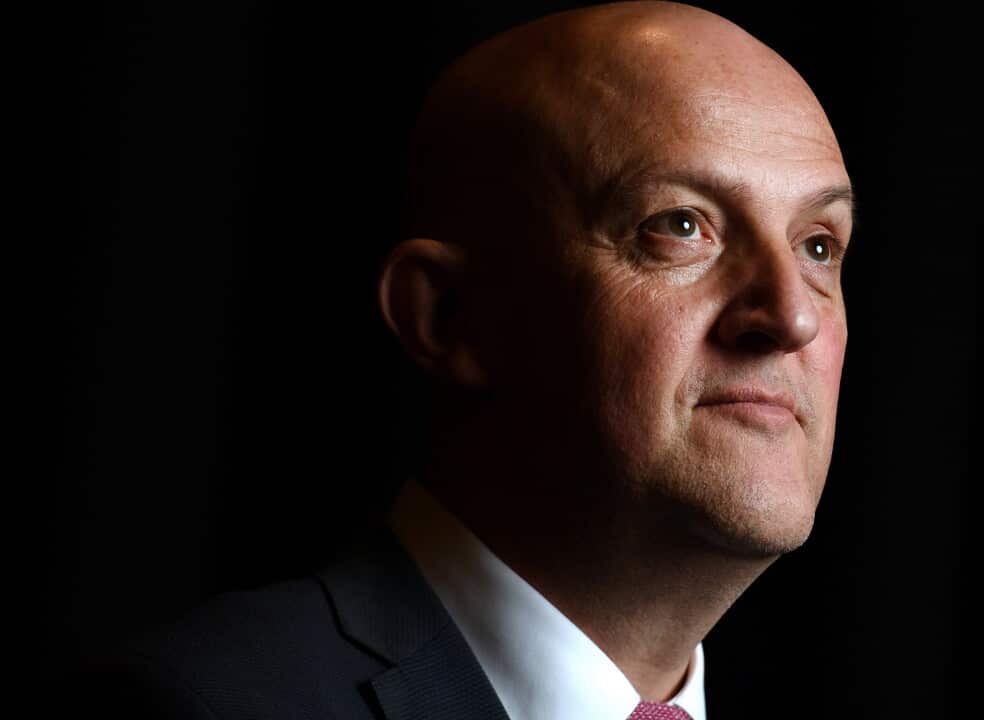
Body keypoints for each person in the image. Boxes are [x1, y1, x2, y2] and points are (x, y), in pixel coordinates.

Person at [86, 2, 853, 718]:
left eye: (819, 245)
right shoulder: (202, 702)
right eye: (680, 225)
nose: (789, 316)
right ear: (448, 316)